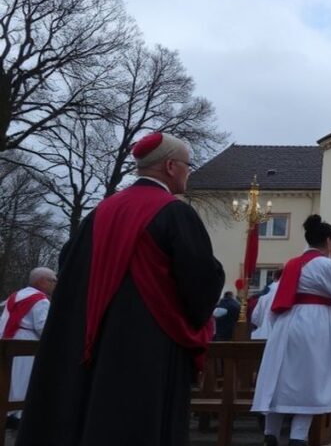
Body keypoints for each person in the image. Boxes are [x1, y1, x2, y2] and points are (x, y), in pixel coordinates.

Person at [18, 131, 225, 446]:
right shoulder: (174, 212)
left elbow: (69, 271)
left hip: (94, 342)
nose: (189, 172)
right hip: (149, 345)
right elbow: (201, 281)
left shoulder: (99, 213)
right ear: (170, 166)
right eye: (188, 165)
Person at [252, 215, 331, 446]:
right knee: (311, 379)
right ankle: (298, 437)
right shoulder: (328, 265)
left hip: (287, 322)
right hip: (314, 323)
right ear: (329, 241)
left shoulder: (292, 263)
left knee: (281, 378)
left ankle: (271, 433)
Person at [0, 268, 56, 429]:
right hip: (27, 343)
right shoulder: (41, 300)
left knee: (9, 378)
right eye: (53, 280)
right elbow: (43, 327)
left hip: (7, 341)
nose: (55, 284)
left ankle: (7, 411)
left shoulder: (15, 296)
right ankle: (17, 415)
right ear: (42, 281)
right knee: (23, 379)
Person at [251, 270, 283, 340]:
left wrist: (262, 324)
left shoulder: (264, 298)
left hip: (265, 334)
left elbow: (255, 317)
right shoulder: (291, 293)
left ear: (273, 277)